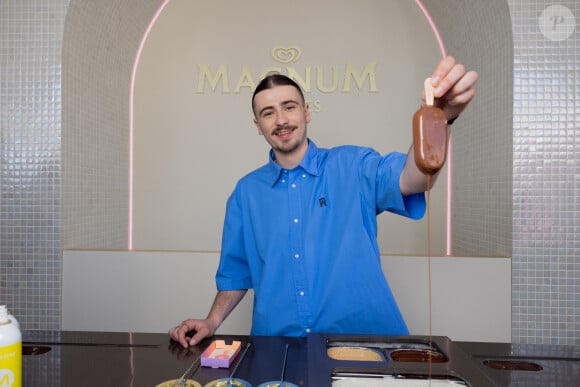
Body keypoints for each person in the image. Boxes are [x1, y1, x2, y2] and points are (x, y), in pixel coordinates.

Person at [169, 56, 478, 348]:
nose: (280, 120)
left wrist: (440, 119)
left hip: (365, 346)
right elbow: (235, 274)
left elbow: (414, 177)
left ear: (307, 111)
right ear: (257, 125)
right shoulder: (245, 192)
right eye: (268, 113)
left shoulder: (354, 165)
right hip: (279, 350)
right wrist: (212, 321)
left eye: (288, 107)